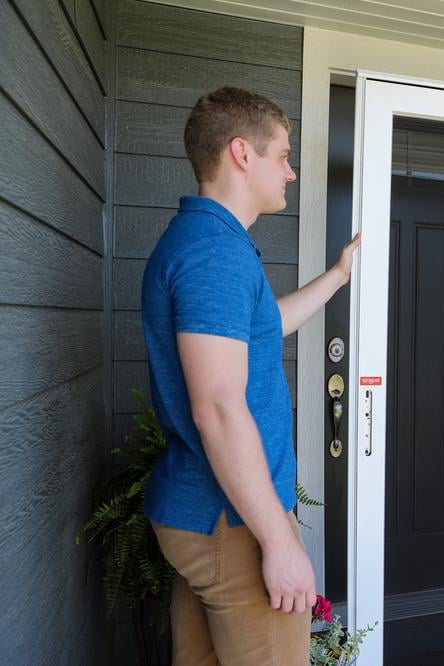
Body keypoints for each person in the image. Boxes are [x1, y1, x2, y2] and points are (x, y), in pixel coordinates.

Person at [141, 86, 360, 665]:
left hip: (209, 513)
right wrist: (279, 538)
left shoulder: (211, 243)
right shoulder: (216, 253)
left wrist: (337, 277)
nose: (290, 172)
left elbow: (262, 327)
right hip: (231, 521)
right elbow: (217, 406)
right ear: (242, 153)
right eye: (283, 156)